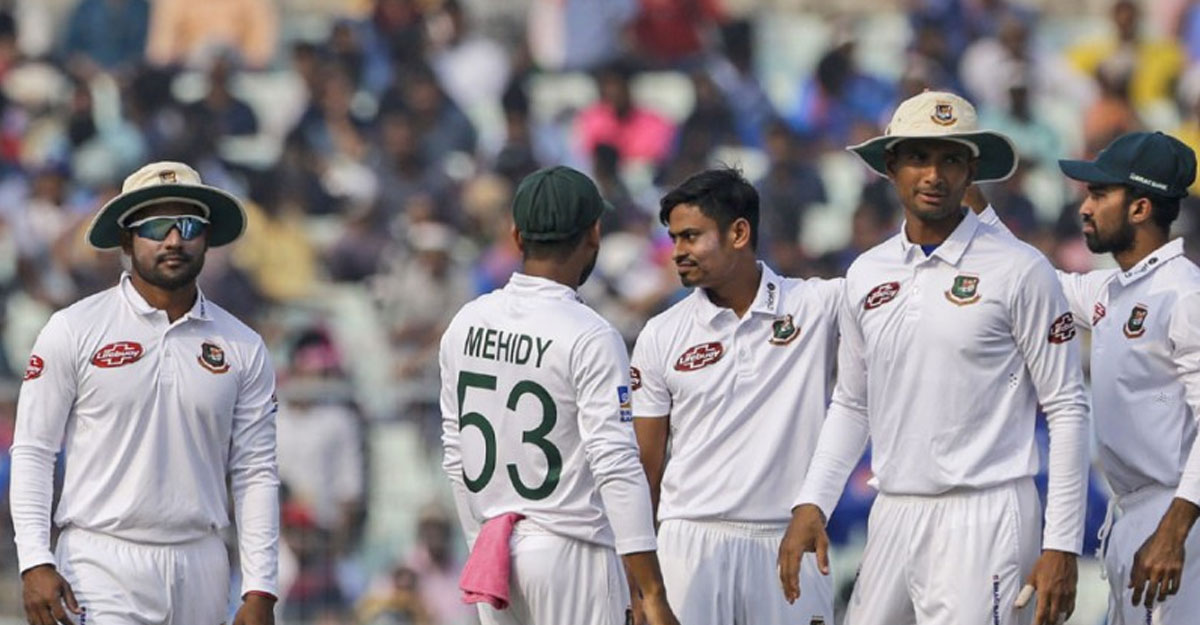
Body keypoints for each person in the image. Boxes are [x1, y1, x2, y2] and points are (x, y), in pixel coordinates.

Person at [778, 91, 1091, 625]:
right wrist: (814, 501)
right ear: (891, 167)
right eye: (919, 157)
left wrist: (1061, 542)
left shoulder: (1020, 269)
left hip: (986, 513)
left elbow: (1067, 407)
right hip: (893, 509)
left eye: (950, 159)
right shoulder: (867, 273)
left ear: (971, 171)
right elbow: (853, 403)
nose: (934, 175)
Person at [11, 161, 280, 624]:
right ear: (126, 240)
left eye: (188, 226)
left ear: (206, 238)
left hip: (203, 562)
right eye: (156, 227)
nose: (174, 240)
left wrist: (261, 589)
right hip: (100, 559)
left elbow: (255, 471)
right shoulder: (73, 329)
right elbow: (34, 449)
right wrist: (35, 559)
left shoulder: (243, 346)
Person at [975, 131, 1200, 623]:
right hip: (1134, 516)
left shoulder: (1184, 295)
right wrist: (963, 183)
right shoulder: (1112, 290)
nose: (1085, 207)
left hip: (1180, 520)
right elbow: (1025, 273)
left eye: (1099, 194)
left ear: (1140, 208)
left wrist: (1173, 531)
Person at [439, 166, 679, 625]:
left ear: (516, 235)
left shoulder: (466, 323)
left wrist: (479, 545)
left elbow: (456, 457)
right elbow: (615, 462)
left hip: (494, 552)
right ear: (594, 234)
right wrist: (651, 589)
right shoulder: (591, 335)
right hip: (573, 553)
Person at [628, 167, 840, 625]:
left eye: (690, 237)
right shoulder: (660, 334)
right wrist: (639, 585)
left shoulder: (817, 306)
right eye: (674, 239)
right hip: (689, 541)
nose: (677, 252)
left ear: (739, 233)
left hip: (789, 537)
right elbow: (645, 468)